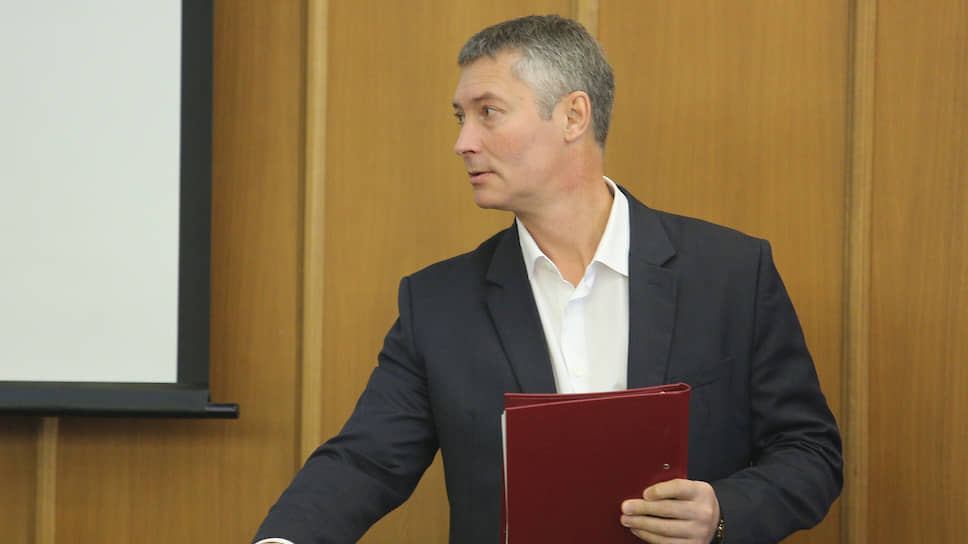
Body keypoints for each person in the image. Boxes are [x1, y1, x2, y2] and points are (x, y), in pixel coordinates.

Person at [253, 14, 842, 544]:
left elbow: (809, 452)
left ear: (573, 116)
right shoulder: (437, 303)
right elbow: (366, 462)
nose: (462, 143)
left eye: (488, 112)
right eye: (460, 117)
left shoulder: (731, 272)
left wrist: (722, 512)